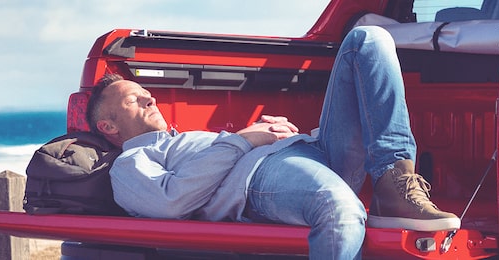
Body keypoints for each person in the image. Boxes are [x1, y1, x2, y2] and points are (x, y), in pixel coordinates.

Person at [86, 26, 459, 259]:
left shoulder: (183, 138)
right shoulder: (130, 164)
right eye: (134, 100)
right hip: (261, 178)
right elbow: (171, 202)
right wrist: (243, 141)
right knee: (338, 208)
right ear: (109, 126)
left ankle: (394, 180)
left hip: (307, 150)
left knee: (369, 39)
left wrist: (276, 135)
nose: (151, 99)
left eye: (146, 92)